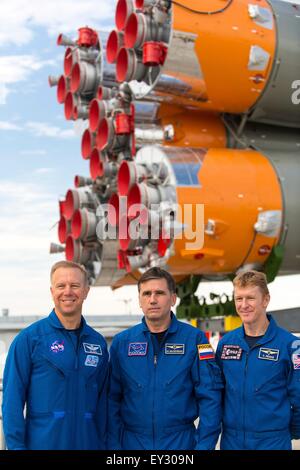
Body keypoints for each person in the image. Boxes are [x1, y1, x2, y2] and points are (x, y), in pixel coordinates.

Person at [107, 267, 223, 450]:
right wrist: (115, 448)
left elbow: (210, 398)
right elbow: (111, 401)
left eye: (159, 293)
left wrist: (203, 447)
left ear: (173, 298)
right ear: (139, 300)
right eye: (146, 294)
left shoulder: (195, 340)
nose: (152, 299)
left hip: (181, 444)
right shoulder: (122, 344)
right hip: (133, 445)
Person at [2, 260, 109, 450]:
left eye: (75, 285)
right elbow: (12, 403)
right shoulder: (29, 340)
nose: (68, 292)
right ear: (52, 292)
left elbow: (103, 406)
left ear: (86, 291)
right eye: (61, 286)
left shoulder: (97, 343)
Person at [216, 270, 300, 450]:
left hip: (272, 442)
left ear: (265, 300)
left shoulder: (290, 346)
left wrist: (288, 432)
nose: (244, 305)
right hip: (232, 441)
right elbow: (217, 393)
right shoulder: (225, 345)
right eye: (239, 299)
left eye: (250, 298)